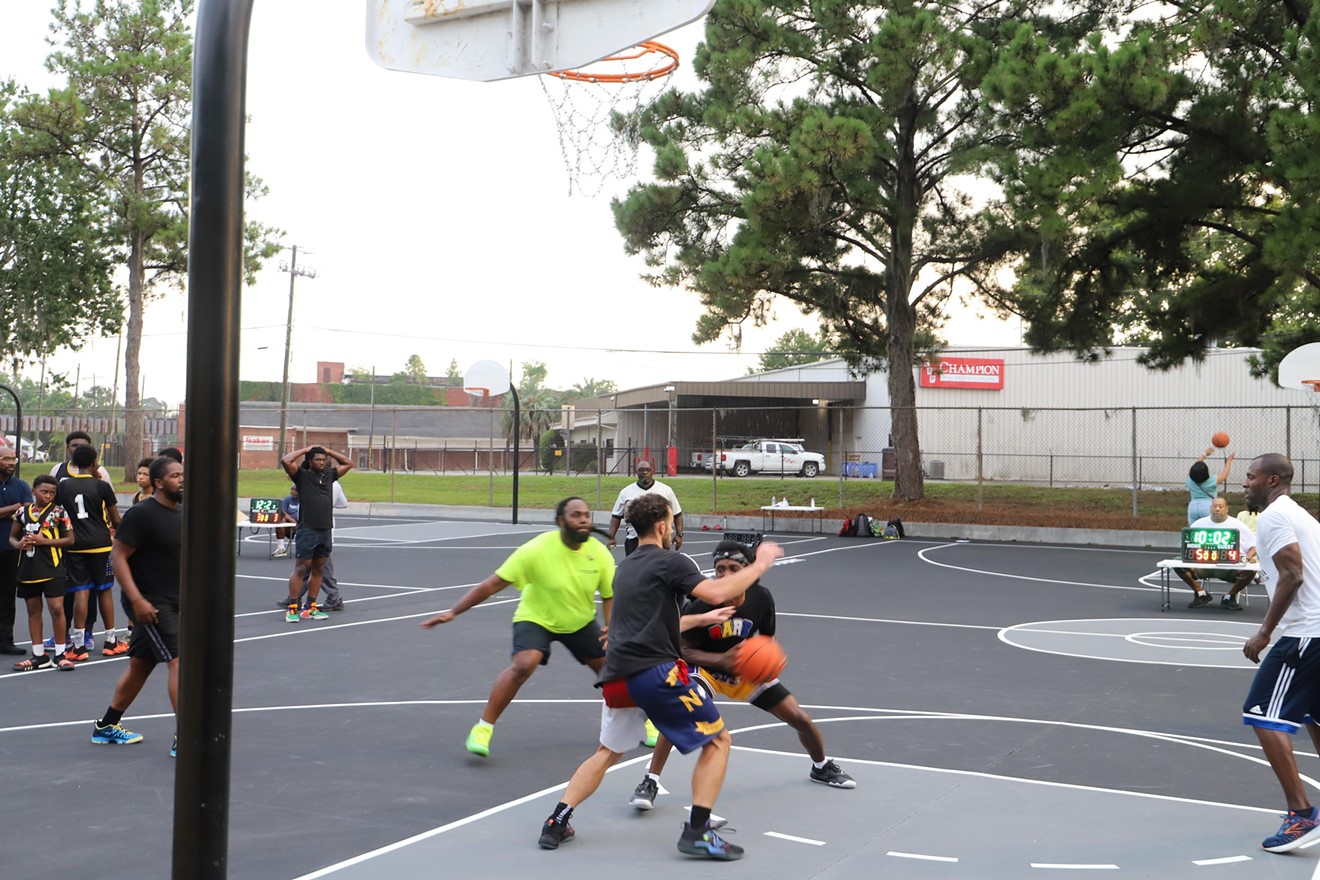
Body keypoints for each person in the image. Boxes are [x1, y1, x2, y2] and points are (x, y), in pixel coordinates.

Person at [536, 493, 784, 861]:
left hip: (616, 676)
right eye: (672, 522)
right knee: (717, 742)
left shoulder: (628, 567)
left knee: (607, 752)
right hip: (653, 672)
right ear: (664, 526)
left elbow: (651, 623)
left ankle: (557, 820)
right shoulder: (672, 561)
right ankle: (697, 833)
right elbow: (716, 591)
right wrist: (760, 563)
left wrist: (700, 620)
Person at [629, 539, 855, 812]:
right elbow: (680, 649)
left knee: (799, 718)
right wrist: (719, 660)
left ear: (748, 571)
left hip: (744, 670)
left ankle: (820, 766)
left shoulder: (761, 598)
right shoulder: (701, 606)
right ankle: (649, 780)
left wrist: (772, 661)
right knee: (679, 713)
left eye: (733, 568)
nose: (724, 575)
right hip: (705, 670)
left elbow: (768, 639)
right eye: (719, 569)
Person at [422, 497, 614, 757]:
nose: (583, 520)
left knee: (614, 672)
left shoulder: (599, 553)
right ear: (561, 522)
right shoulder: (536, 550)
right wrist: (454, 612)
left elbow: (610, 595)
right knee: (524, 665)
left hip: (578, 621)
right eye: (576, 515)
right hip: (536, 617)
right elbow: (492, 584)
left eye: (586, 515)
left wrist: (612, 628)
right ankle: (483, 729)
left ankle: (647, 720)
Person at [1239, 453, 1320, 852]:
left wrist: (1264, 632)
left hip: (1308, 633)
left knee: (1261, 712)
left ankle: (1302, 816)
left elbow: (1293, 574)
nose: (1244, 484)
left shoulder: (1274, 517)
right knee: (1314, 717)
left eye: (1250, 477)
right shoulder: (1302, 516)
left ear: (1271, 481)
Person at [91, 457, 184, 752]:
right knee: (179, 661)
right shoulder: (142, 514)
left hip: (175, 599)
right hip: (150, 602)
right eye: (175, 476)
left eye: (184, 475)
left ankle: (106, 725)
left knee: (141, 665)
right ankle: (187, 736)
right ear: (158, 482)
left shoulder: (183, 512)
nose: (182, 479)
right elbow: (117, 557)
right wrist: (137, 600)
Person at [55, 444, 126, 659]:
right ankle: (111, 641)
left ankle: (78, 645)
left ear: (74, 464)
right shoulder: (102, 486)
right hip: (100, 544)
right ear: (95, 462)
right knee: (104, 590)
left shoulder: (63, 486)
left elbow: (58, 513)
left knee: (80, 591)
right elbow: (115, 518)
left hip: (74, 544)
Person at [9, 475, 75, 671]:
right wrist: (19, 544)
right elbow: (12, 537)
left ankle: (61, 653)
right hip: (28, 568)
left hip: (52, 567)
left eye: (52, 493)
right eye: (44, 492)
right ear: (34, 491)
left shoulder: (59, 512)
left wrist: (45, 541)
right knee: (33, 610)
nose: (48, 496)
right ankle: (39, 655)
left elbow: (70, 540)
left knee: (56, 609)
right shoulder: (22, 512)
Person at [280, 445, 352, 622]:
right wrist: (305, 450)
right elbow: (285, 460)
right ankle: (292, 608)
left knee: (318, 569)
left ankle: (310, 607)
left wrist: (328, 451)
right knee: (301, 568)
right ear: (310, 461)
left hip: (325, 530)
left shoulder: (330, 476)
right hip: (307, 530)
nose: (321, 462)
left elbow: (348, 462)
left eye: (323, 460)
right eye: (317, 459)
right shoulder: (301, 476)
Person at [1176, 496, 1258, 610]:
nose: (1217, 509)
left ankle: (1230, 597)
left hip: (1228, 568)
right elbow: (1186, 544)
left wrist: (1248, 557)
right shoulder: (1199, 524)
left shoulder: (1237, 525)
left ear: (1227, 509)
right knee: (1177, 563)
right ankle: (1200, 593)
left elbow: (1254, 545)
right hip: (1202, 566)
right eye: (1215, 506)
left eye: (1220, 507)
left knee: (1251, 569)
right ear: (1210, 509)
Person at [608, 460, 683, 555]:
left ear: (653, 471)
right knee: (635, 569)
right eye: (641, 470)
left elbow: (677, 514)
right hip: (634, 541)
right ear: (636, 472)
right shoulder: (625, 492)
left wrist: (679, 534)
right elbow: (616, 516)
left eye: (648, 470)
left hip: (660, 540)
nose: (645, 472)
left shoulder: (666, 491)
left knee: (660, 568)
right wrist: (611, 536)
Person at [0, 445, 33, 655]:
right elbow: (19, 509)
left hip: (11, 550)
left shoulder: (21, 485)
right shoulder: (18, 495)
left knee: (7, 597)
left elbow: (29, 511)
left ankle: (5, 640)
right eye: (5, 459)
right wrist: (13, 508)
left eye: (13, 459)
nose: (11, 463)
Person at [1187, 447, 1234, 525]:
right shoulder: (1212, 480)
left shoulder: (1189, 480)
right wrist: (1229, 461)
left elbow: (1194, 467)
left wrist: (1204, 454)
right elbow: (1225, 474)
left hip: (1193, 506)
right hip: (1207, 506)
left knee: (1193, 530)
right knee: (1211, 528)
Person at [273, 484, 298, 558]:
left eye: (295, 490)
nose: (293, 491)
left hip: (302, 524)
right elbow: (282, 511)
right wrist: (292, 520)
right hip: (290, 524)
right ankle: (281, 548)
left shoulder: (305, 500)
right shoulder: (287, 499)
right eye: (292, 489)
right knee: (281, 519)